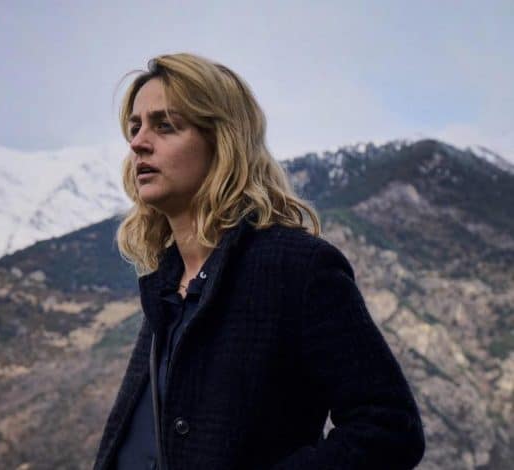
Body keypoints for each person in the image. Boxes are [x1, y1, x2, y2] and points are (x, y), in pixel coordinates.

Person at [92, 53, 425, 470]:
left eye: (165, 125)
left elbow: (389, 427)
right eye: (135, 126)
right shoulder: (166, 282)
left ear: (222, 142)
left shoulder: (297, 268)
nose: (138, 142)